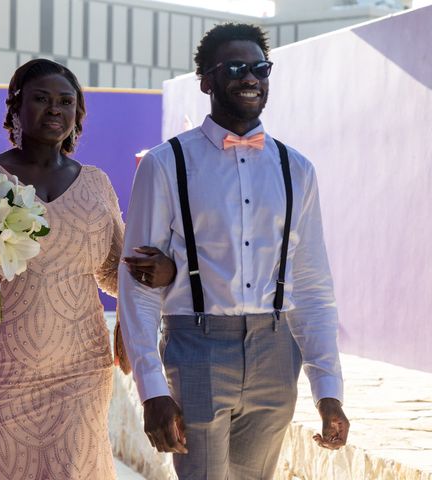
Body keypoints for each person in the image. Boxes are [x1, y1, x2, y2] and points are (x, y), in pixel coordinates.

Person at [0, 59, 175, 480]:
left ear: (77, 115)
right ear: (15, 108)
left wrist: (163, 270)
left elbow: (115, 272)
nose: (55, 109)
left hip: (80, 370)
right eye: (41, 99)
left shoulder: (96, 184)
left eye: (65, 101)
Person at [119, 23, 350, 479]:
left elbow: (311, 284)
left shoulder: (296, 169)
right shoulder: (167, 164)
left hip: (276, 351)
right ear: (205, 79)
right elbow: (138, 282)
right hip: (196, 345)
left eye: (260, 68)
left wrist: (328, 389)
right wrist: (151, 390)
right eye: (236, 67)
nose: (251, 77)